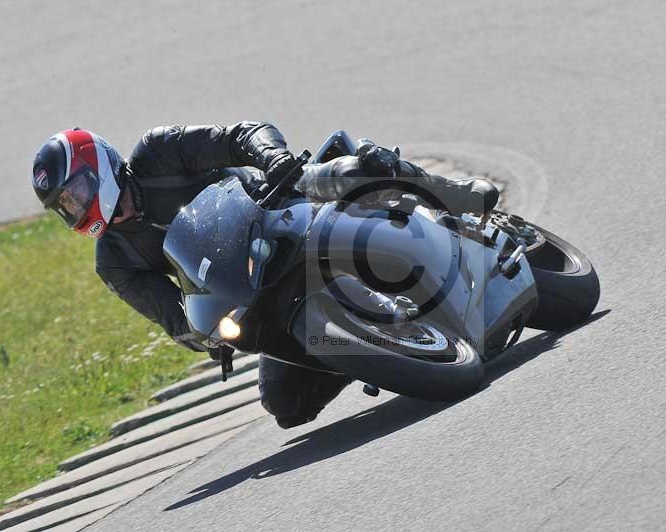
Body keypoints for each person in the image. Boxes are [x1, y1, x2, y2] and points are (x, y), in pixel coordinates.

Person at [30, 123, 499, 428]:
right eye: (63, 208)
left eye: (75, 193)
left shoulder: (157, 153)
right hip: (255, 291)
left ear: (100, 169)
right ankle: (371, 346)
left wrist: (270, 156)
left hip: (279, 209)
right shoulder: (113, 260)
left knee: (339, 172)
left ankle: (450, 196)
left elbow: (240, 134)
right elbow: (172, 317)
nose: (75, 209)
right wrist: (205, 334)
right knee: (285, 406)